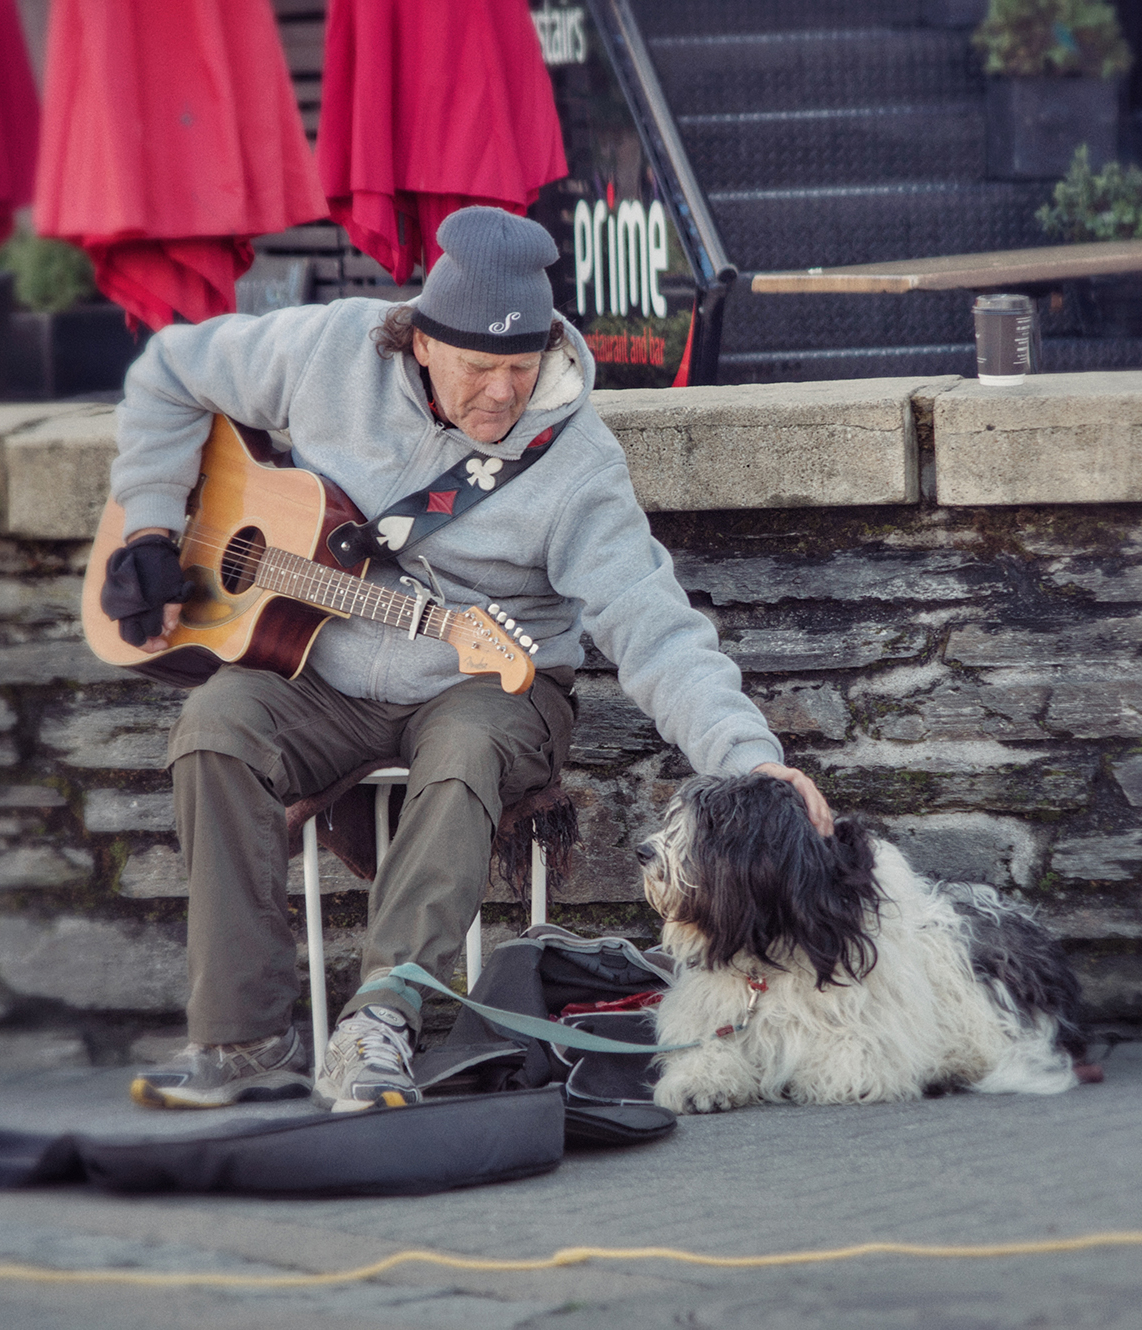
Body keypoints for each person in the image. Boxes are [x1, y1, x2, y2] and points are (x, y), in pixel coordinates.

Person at [100, 207, 831, 1112]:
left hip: (492, 682)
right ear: (418, 341)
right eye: (478, 369)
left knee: (464, 751)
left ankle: (383, 1018)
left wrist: (751, 761)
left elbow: (655, 626)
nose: (501, 395)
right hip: (319, 667)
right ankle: (244, 1038)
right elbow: (168, 370)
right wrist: (149, 524)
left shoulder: (578, 465)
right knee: (215, 728)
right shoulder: (328, 351)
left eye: (521, 369)